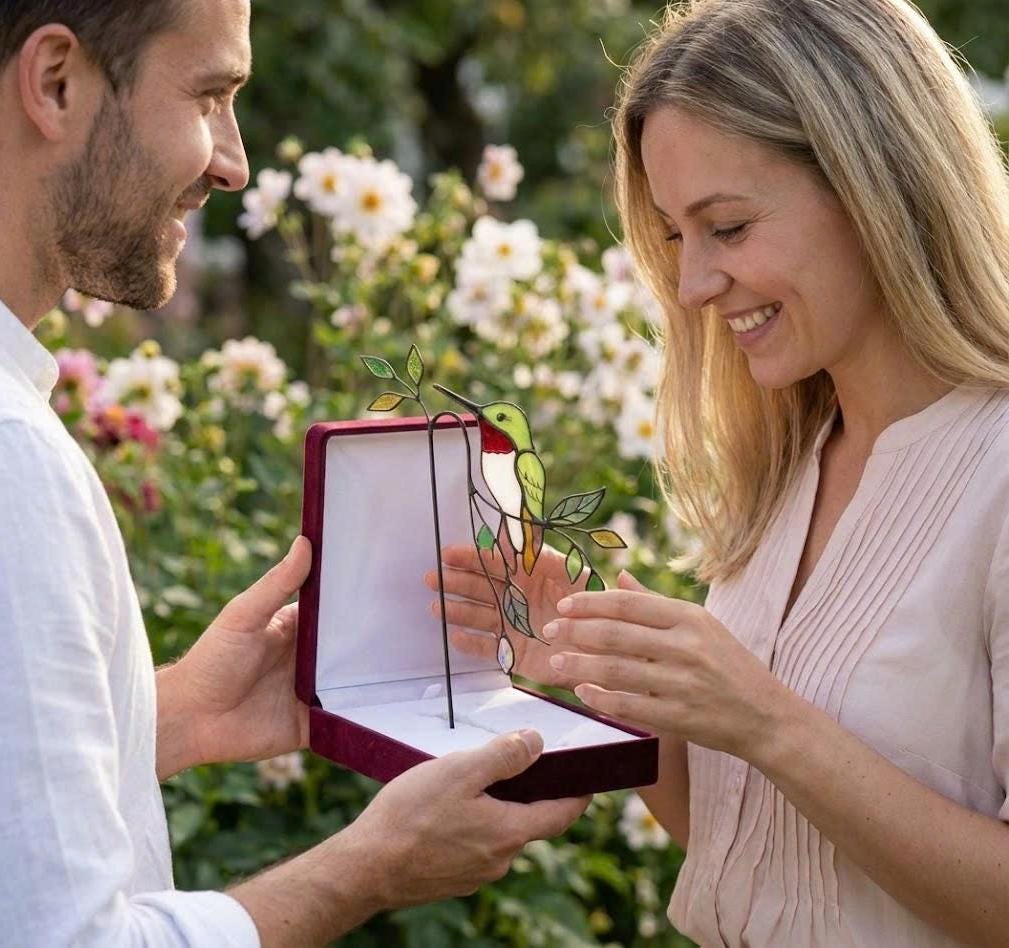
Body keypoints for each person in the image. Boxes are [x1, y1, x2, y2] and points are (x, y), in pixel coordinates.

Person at [0, 1, 589, 945]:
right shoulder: (4, 455)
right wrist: (367, 869)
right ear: (57, 83)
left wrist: (180, 716)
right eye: (209, 96)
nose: (233, 163)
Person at [428, 0, 1009, 944]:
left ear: (877, 188)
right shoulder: (791, 465)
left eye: (728, 228)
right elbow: (755, 847)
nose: (693, 285)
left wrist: (767, 721)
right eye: (674, 237)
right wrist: (615, 674)